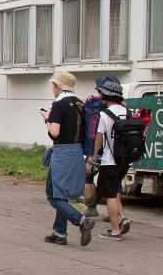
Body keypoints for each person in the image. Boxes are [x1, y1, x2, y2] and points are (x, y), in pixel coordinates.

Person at [40, 71, 94, 246]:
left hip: (62, 153)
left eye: (53, 85)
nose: (51, 88)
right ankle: (59, 232)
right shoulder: (80, 104)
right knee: (61, 193)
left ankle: (81, 220)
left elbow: (55, 133)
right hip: (77, 152)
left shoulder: (59, 105)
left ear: (58, 86)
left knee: (53, 195)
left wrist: (47, 119)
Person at [92, 77, 132, 240]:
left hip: (110, 160)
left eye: (101, 93)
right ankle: (122, 218)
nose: (100, 95)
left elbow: (99, 138)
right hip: (124, 159)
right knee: (115, 190)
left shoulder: (105, 114)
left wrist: (95, 155)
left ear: (106, 95)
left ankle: (115, 231)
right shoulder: (126, 111)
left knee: (110, 195)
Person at [81, 79, 110, 218]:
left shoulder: (90, 104)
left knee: (87, 176)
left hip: (91, 148)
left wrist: (90, 152)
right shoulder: (118, 105)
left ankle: (91, 208)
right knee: (113, 184)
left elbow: (91, 131)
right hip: (111, 150)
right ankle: (116, 214)